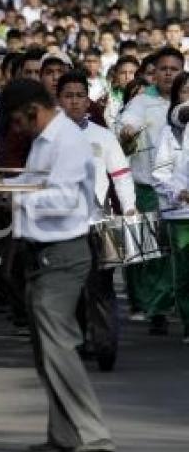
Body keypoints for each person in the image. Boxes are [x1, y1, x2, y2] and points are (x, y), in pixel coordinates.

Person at [0, 79, 115, 452]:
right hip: (42, 253)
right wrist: (2, 184)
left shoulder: (67, 141)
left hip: (63, 253)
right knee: (45, 349)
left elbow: (64, 199)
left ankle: (92, 433)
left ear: (33, 110)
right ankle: (63, 434)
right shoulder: (46, 139)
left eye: (18, 121)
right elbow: (36, 183)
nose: (17, 129)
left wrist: (13, 199)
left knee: (59, 346)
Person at [55, 71, 136, 371]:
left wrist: (128, 209)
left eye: (80, 95)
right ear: (59, 100)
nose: (75, 101)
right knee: (70, 288)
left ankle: (105, 345)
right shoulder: (46, 137)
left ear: (87, 99)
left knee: (100, 286)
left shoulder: (103, 136)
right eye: (69, 96)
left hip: (96, 223)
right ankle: (76, 340)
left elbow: (121, 176)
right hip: (61, 226)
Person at [118, 47, 182, 327]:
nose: (169, 73)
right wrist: (127, 132)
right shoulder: (142, 102)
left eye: (174, 69)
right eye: (163, 68)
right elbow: (125, 126)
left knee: (179, 251)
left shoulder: (186, 102)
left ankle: (170, 301)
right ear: (154, 73)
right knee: (151, 251)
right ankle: (156, 307)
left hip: (181, 192)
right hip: (147, 187)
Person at [151, 71, 189, 344]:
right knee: (185, 273)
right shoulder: (170, 132)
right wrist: (180, 193)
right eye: (185, 91)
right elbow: (160, 174)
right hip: (181, 213)